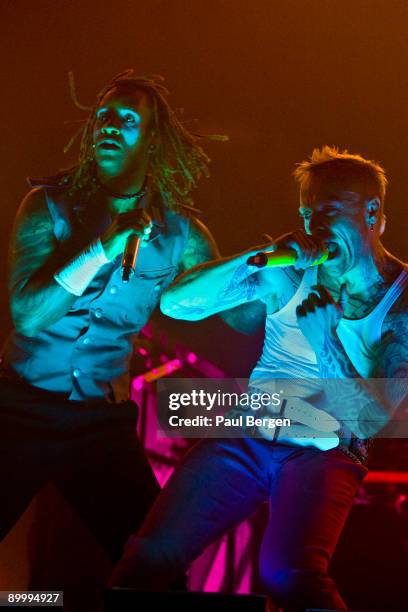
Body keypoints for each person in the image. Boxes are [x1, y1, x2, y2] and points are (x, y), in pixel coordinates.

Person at [111, 147, 408, 611]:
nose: (316, 227)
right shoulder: (289, 272)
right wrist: (262, 255)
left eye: (329, 212)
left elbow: (372, 423)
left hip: (324, 452)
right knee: (147, 556)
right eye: (308, 214)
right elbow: (177, 304)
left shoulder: (401, 304)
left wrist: (328, 341)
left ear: (372, 212)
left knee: (288, 574)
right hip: (247, 430)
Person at [0, 71, 256, 596]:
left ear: (153, 140)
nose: (109, 128)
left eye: (127, 119)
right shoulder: (46, 207)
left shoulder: (181, 236)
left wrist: (273, 271)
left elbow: (242, 317)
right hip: (18, 409)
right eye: (103, 117)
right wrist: (101, 247)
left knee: (155, 568)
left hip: (100, 423)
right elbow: (27, 316)